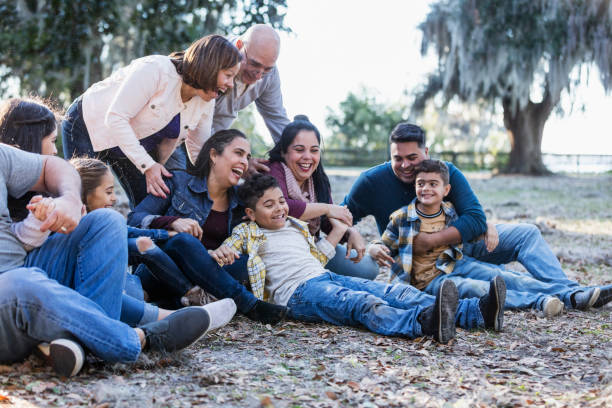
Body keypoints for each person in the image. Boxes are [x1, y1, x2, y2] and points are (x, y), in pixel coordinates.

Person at [0, 143, 233, 378]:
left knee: (108, 221)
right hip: (11, 289)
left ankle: (81, 345)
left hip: (28, 264)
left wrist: (68, 199)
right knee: (22, 283)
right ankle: (140, 340)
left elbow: (52, 165)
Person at [210, 174, 510, 345]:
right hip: (297, 294)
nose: (279, 209)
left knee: (393, 291)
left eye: (281, 202)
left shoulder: (295, 225)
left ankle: (476, 313)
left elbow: (316, 255)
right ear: (251, 213)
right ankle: (423, 324)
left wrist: (338, 230)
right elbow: (226, 252)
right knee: (360, 303)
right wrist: (218, 253)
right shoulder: (246, 231)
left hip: (323, 277)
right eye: (268, 205)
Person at [341, 122, 611, 307]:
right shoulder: (371, 182)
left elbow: (475, 218)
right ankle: (567, 296)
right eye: (397, 158)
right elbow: (342, 216)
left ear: (426, 151)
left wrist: (435, 239)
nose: (405, 165)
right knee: (495, 281)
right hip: (426, 266)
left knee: (526, 233)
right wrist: (357, 235)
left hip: (463, 244)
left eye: (412, 157)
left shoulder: (445, 172)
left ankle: (571, 292)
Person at [369, 160, 606, 316]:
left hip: (456, 263)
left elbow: (474, 221)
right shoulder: (401, 218)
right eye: (421, 184)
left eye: (433, 184)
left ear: (446, 190)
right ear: (415, 188)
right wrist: (374, 248)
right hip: (430, 282)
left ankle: (574, 294)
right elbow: (384, 243)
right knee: (480, 288)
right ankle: (540, 302)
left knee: (506, 275)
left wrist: (487, 225)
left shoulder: (450, 211)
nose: (426, 189)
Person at [128, 129, 288, 324]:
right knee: (183, 241)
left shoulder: (241, 201)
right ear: (213, 155)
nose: (245, 162)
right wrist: (171, 222)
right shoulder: (177, 181)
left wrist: (218, 253)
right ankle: (250, 306)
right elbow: (134, 219)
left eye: (247, 157)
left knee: (248, 261)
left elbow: (274, 209)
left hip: (207, 276)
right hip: (161, 269)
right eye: (238, 153)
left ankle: (180, 303)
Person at [62, 34, 241, 208]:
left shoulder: (206, 101)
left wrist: (221, 180)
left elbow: (199, 149)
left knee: (151, 202)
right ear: (209, 67)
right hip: (89, 124)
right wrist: (148, 165)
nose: (231, 84)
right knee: (83, 199)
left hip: (131, 145)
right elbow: (116, 118)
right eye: (228, 75)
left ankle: (142, 237)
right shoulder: (156, 69)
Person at [70, 157, 211, 308]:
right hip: (96, 288)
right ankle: (188, 299)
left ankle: (190, 296)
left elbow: (127, 231)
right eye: (108, 192)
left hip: (124, 281)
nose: (114, 198)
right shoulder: (73, 221)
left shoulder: (101, 219)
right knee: (140, 291)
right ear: (86, 193)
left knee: (144, 246)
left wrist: (166, 234)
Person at [167, 24, 290, 174]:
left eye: (267, 69)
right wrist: (235, 163)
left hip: (210, 146)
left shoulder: (269, 76)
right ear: (239, 45)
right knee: (175, 183)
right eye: (254, 64)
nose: (258, 76)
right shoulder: (212, 56)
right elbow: (193, 130)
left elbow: (277, 118)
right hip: (173, 133)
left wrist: (296, 154)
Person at [266, 115, 378, 279]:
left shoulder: (317, 180)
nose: (307, 157)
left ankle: (322, 275)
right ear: (283, 151)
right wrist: (326, 208)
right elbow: (284, 208)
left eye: (314, 150)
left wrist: (350, 232)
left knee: (369, 269)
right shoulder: (274, 171)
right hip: (282, 253)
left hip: (313, 247)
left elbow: (327, 222)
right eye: (299, 150)